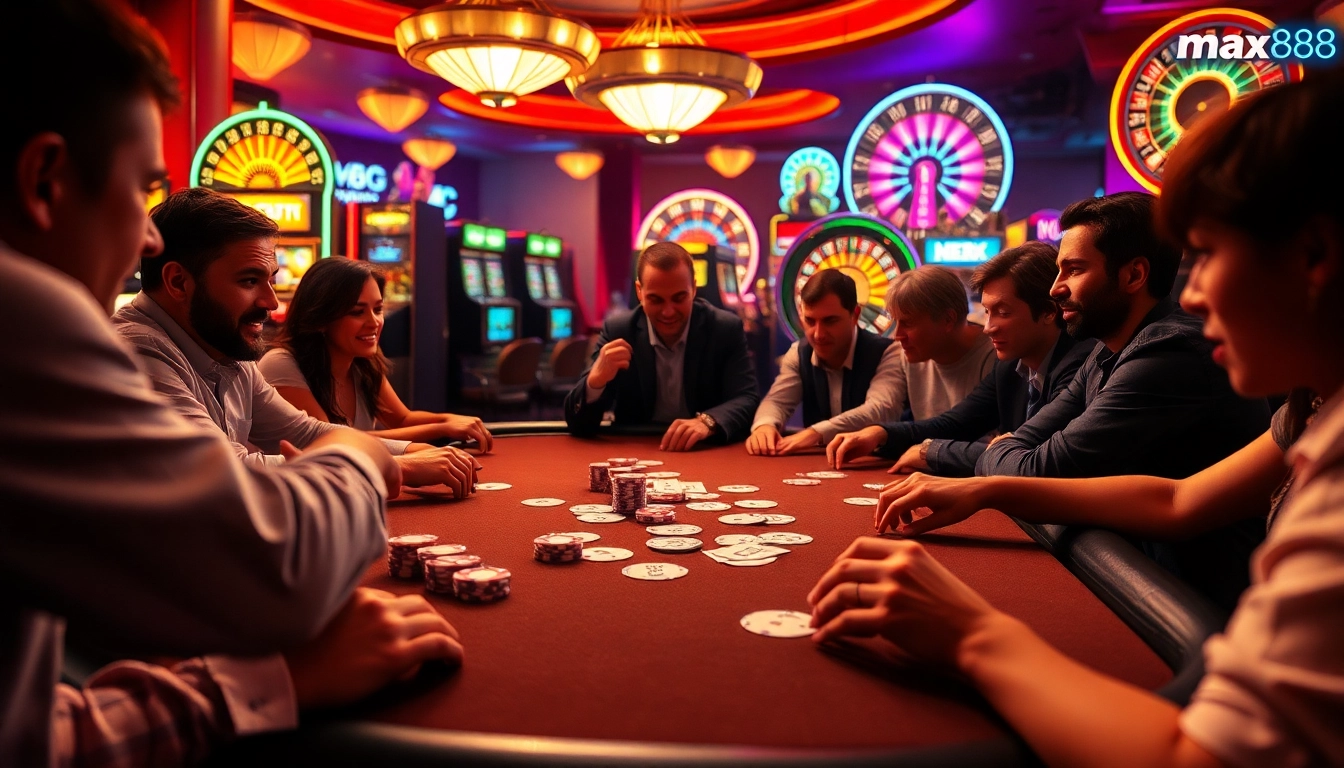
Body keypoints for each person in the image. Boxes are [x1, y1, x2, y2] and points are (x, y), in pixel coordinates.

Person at [810, 69, 1344, 768]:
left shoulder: (1177, 352)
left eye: (1210, 253)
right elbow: (1179, 500)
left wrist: (974, 634)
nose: (1195, 294)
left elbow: (1194, 761)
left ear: (1315, 255)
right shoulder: (1312, 410)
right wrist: (985, 485)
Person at [0, 2, 461, 766]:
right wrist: (364, 459)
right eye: (141, 190)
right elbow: (277, 567)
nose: (148, 237)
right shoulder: (34, 320)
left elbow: (29, 734)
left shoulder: (232, 358)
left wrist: (253, 687)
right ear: (45, 179)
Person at [972, 192, 1269, 607]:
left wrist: (994, 460)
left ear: (1133, 275)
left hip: (1202, 605)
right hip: (1147, 584)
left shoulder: (1170, 353)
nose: (1055, 289)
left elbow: (1037, 471)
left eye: (1074, 270)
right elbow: (1027, 452)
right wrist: (1002, 459)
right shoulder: (1105, 351)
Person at [114, 188, 479, 497]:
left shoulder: (225, 348)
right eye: (249, 281)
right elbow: (224, 473)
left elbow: (306, 432)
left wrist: (411, 451)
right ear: (178, 282)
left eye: (271, 280)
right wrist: (396, 467)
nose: (271, 302)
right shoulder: (135, 353)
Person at [827, 242, 1095, 475]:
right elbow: (957, 423)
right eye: (987, 312)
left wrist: (932, 451)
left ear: (1048, 312)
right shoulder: (1010, 364)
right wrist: (882, 433)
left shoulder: (1080, 363)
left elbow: (1033, 458)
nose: (988, 328)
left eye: (1003, 312)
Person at [259, 256, 494, 452]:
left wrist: (451, 419)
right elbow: (333, 442)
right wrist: (441, 428)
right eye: (357, 312)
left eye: (378, 309)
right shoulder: (281, 364)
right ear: (320, 319)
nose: (374, 322)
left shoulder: (362, 362)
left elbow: (402, 419)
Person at [564, 242, 759, 451]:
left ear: (693, 289)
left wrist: (707, 422)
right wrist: (595, 381)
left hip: (702, 449)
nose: (668, 312)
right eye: (656, 300)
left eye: (679, 298)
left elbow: (747, 399)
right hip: (637, 450)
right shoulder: (620, 330)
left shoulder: (724, 328)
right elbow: (579, 425)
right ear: (639, 291)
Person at [747, 269, 902, 455]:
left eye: (830, 321)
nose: (818, 334)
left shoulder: (888, 352)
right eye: (810, 320)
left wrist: (816, 433)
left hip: (878, 463)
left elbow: (880, 410)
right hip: (817, 465)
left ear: (855, 315)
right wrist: (764, 425)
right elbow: (777, 402)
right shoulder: (799, 352)